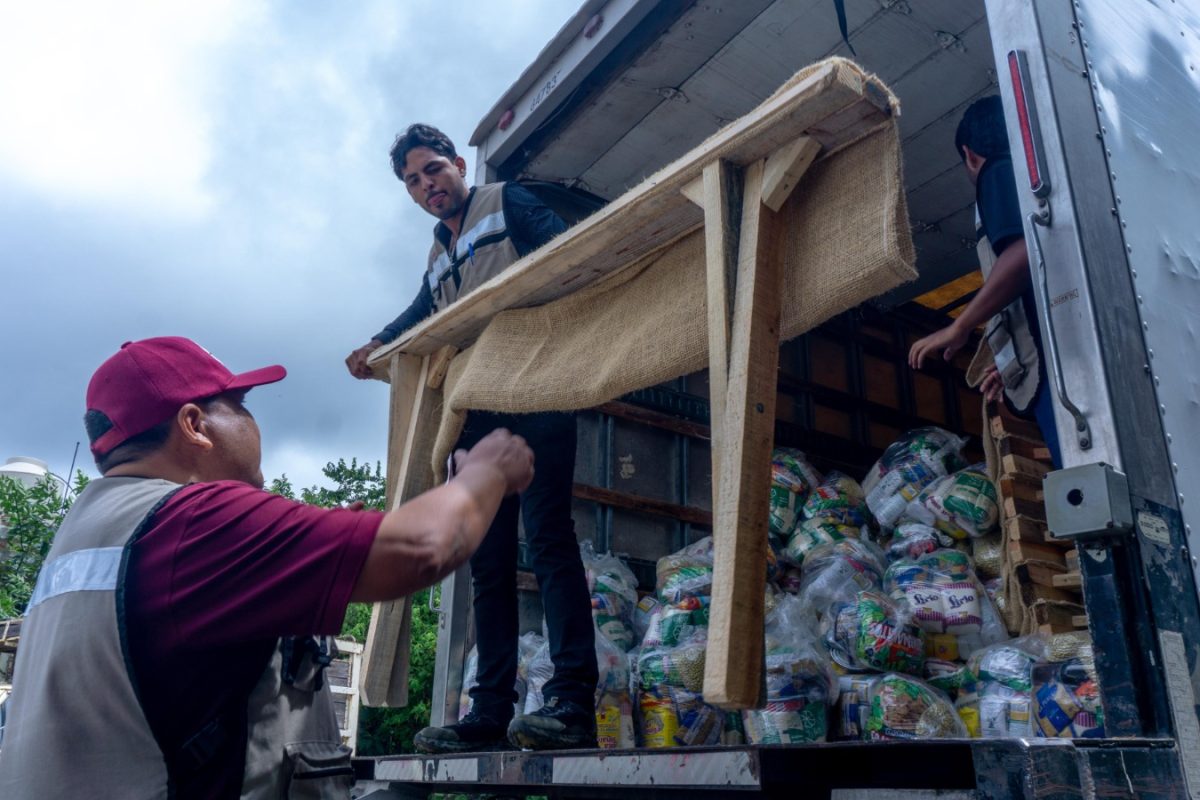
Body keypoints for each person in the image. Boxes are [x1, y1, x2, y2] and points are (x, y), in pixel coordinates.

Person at [0, 336, 534, 799]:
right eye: (240, 403)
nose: (253, 422)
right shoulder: (196, 521)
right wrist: (483, 474)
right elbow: (421, 547)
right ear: (195, 424)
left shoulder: (87, 532)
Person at [345, 124, 598, 753]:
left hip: (539, 388)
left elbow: (564, 252)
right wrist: (379, 341)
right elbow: (420, 312)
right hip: (479, 411)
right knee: (485, 564)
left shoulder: (505, 202)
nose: (427, 185)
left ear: (459, 165)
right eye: (412, 181)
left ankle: (571, 703)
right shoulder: (437, 253)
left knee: (547, 541)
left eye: (433, 170)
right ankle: (488, 714)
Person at [908, 95, 1062, 468]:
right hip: (1061, 360)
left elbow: (1024, 255)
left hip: (1063, 375)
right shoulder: (1037, 184)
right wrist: (1014, 363)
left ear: (969, 154)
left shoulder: (996, 171)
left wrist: (960, 326)